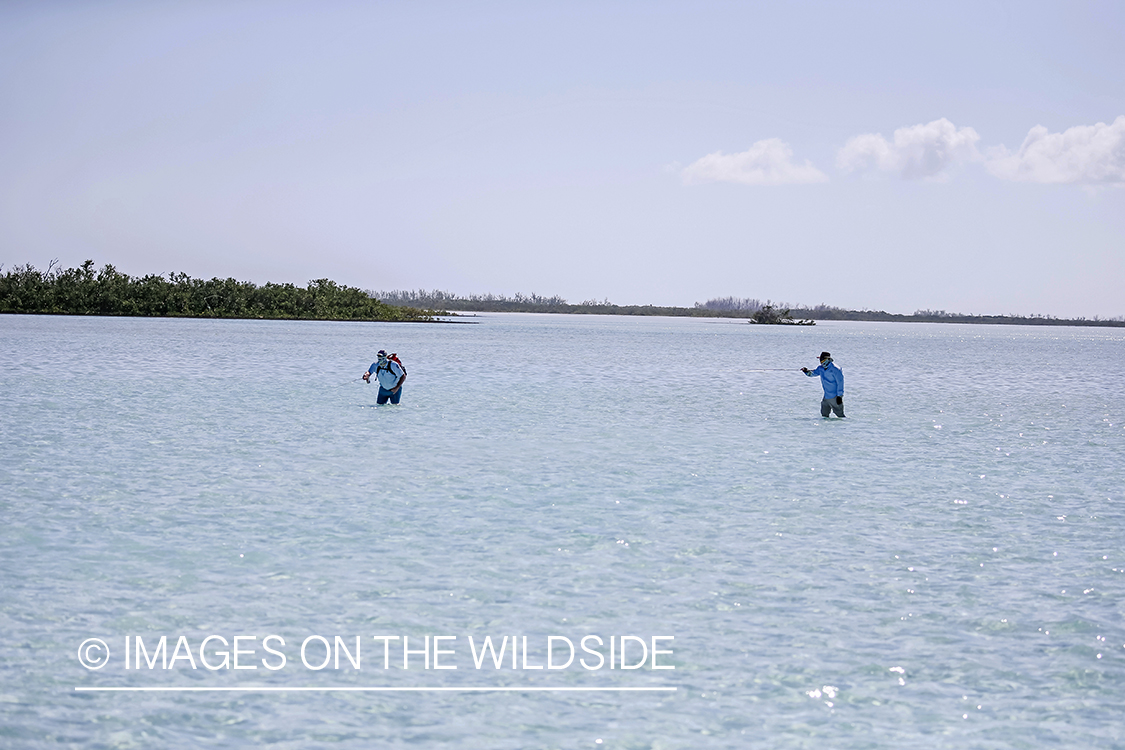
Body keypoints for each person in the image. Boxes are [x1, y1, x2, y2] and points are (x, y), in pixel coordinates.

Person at [801, 351, 845, 417]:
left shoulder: (836, 369)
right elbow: (813, 373)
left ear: (828, 359)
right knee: (824, 416)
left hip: (835, 398)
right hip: (826, 397)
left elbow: (840, 382)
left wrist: (839, 396)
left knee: (840, 416)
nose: (821, 361)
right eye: (820, 360)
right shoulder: (820, 368)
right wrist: (806, 371)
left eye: (822, 360)